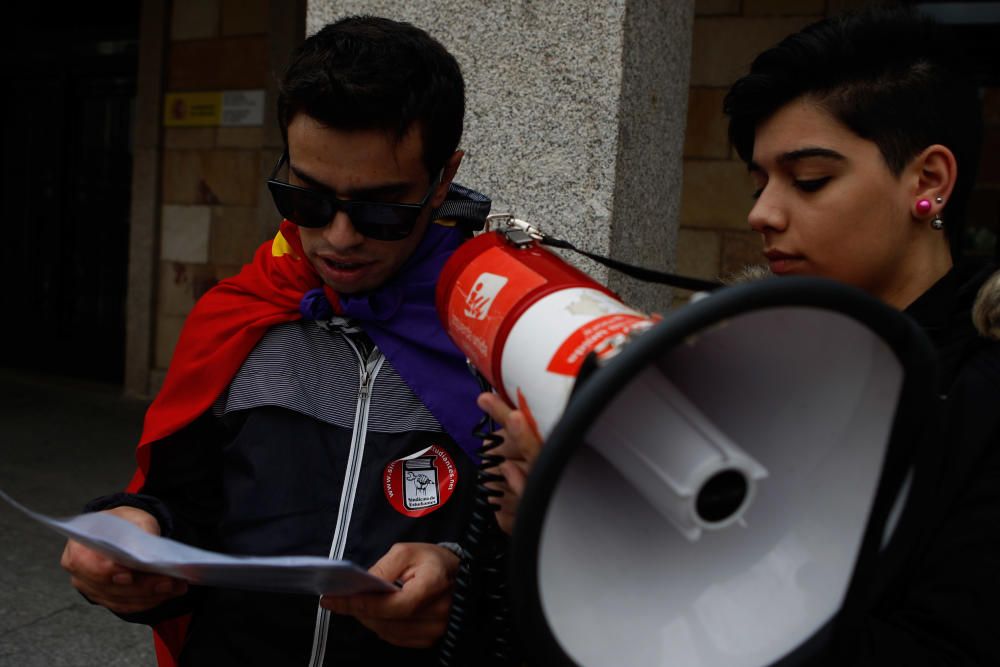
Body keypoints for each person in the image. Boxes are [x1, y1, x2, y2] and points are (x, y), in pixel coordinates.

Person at [485, 6, 1000, 664]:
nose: (761, 213)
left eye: (809, 180)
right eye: (758, 183)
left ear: (927, 182)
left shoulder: (981, 397)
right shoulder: (727, 361)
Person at [60, 16, 494, 667]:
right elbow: (183, 505)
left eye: (383, 207)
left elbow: (570, 549)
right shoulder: (238, 315)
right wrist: (133, 546)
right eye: (308, 199)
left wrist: (465, 590)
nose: (340, 237)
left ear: (444, 177)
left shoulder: (507, 332)